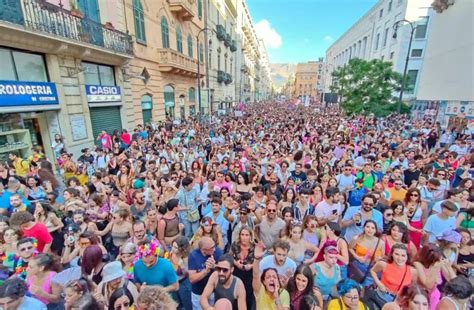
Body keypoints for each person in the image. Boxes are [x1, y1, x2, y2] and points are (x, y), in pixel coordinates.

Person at [252, 241, 291, 309]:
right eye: (268, 277)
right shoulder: (260, 290)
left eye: (274, 277)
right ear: (264, 281)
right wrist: (257, 259)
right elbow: (255, 275)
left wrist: (277, 298)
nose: (272, 279)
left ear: (278, 281)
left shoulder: (284, 294)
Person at [188, 236, 223, 309]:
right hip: (198, 293)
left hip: (214, 292)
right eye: (212, 248)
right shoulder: (193, 256)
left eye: (214, 246)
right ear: (204, 250)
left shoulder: (218, 252)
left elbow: (225, 270)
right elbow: (192, 279)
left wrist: (215, 266)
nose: (214, 249)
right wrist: (206, 271)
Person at [229, 225, 256, 310]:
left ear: (250, 236)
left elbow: (258, 262)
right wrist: (236, 264)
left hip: (250, 274)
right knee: (235, 294)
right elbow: (229, 257)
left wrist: (250, 266)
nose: (244, 237)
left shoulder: (254, 247)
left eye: (247, 235)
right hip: (237, 272)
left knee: (248, 296)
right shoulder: (235, 244)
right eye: (242, 234)